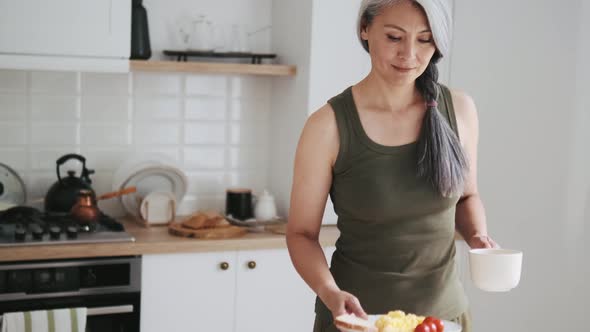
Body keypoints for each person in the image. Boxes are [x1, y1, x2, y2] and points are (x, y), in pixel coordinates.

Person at [286, 0, 500, 331]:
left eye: (425, 39)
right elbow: (301, 234)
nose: (409, 54)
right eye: (394, 37)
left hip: (442, 320)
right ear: (365, 29)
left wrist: (478, 237)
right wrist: (329, 293)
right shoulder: (327, 126)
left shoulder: (459, 109)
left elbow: (467, 196)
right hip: (357, 322)